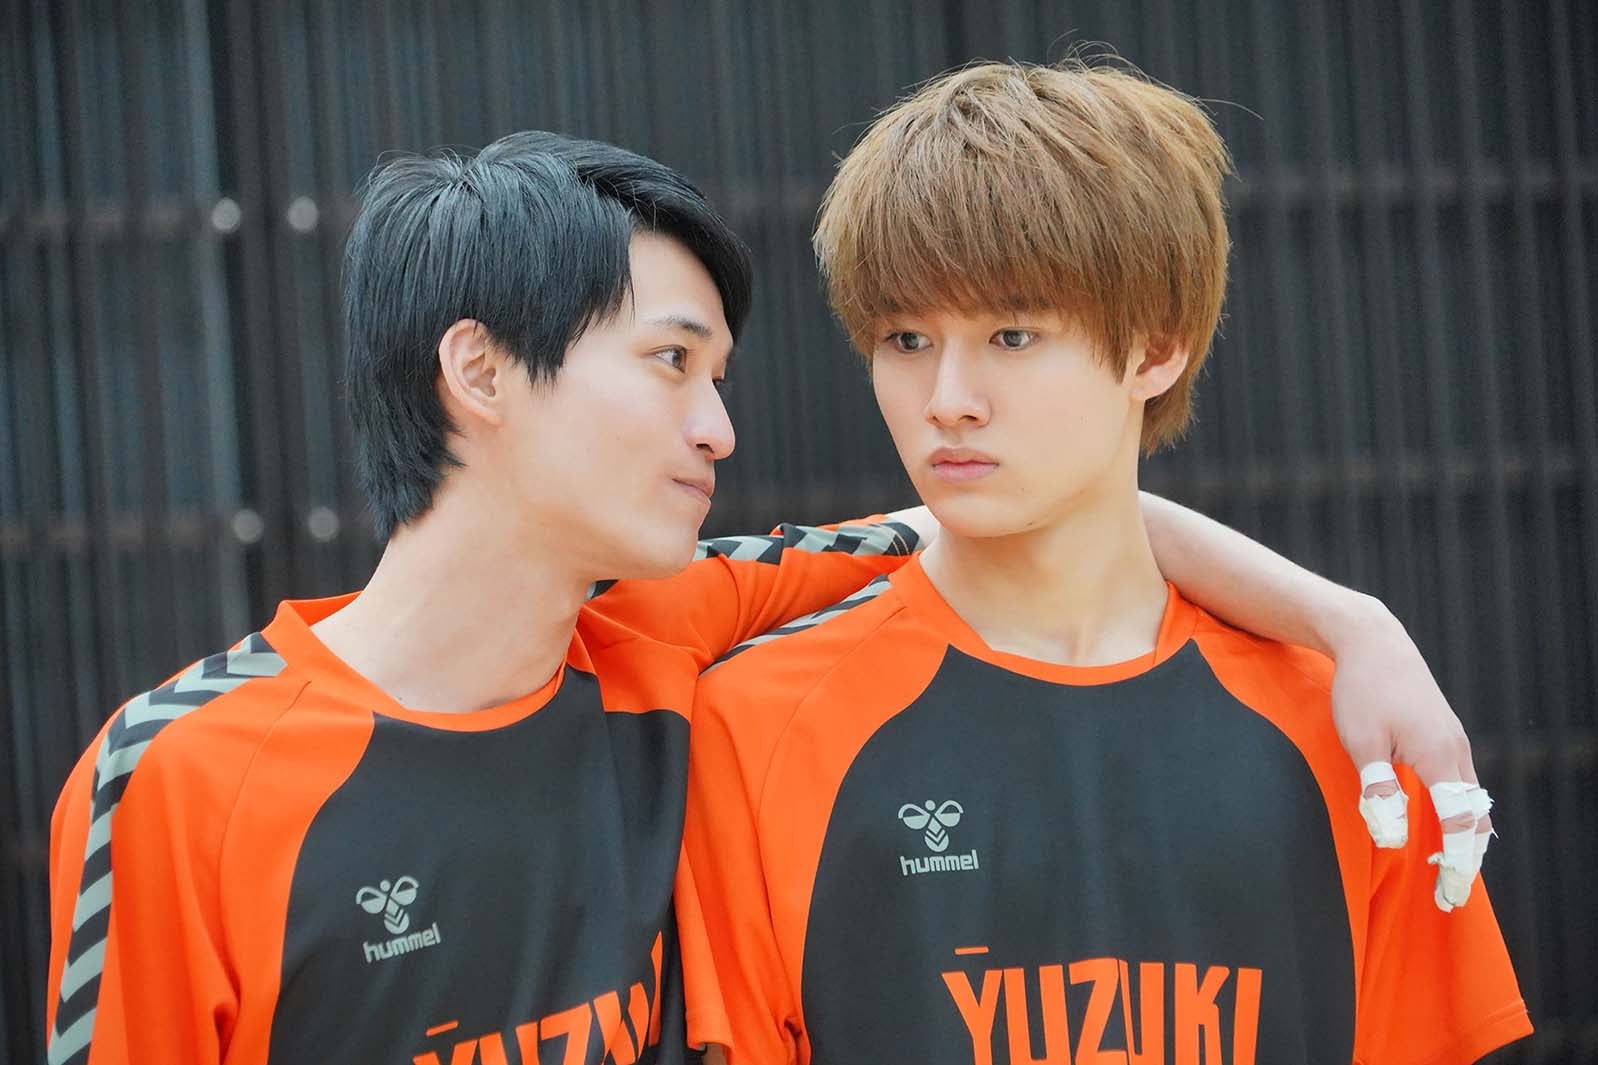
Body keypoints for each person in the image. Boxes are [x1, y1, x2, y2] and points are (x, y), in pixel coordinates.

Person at [46, 130, 1491, 1065]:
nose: (718, 429)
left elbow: (1035, 509)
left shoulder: (666, 639)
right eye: (671, 362)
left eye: (719, 375)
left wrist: (1350, 625)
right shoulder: (182, 774)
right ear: (480, 372)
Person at [682, 62, 1529, 1065]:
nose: (947, 399)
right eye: (905, 338)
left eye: (1011, 334)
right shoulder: (757, 725)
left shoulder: (1354, 725)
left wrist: (1351, 626)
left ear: (1156, 349)